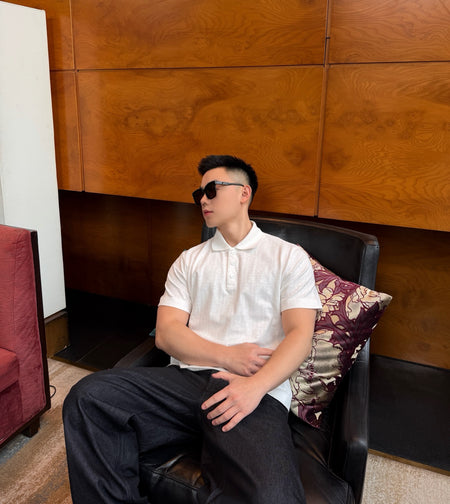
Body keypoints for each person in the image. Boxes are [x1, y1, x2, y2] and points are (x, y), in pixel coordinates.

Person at [63, 154, 322, 504]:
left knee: (273, 496)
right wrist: (226, 355)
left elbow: (300, 335)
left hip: (251, 392)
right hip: (185, 384)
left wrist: (256, 386)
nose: (203, 200)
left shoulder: (287, 256)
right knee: (89, 397)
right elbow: (167, 333)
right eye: (198, 193)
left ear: (244, 193)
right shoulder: (189, 260)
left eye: (212, 190)